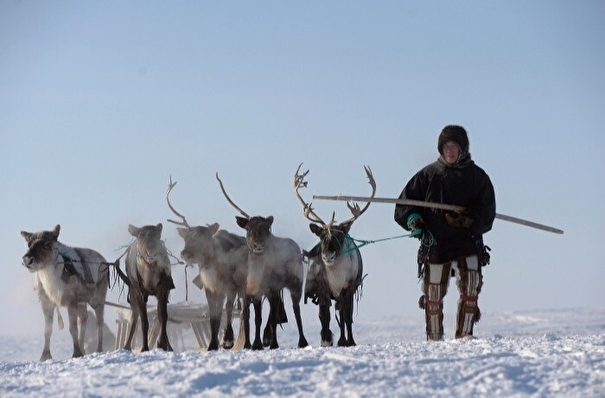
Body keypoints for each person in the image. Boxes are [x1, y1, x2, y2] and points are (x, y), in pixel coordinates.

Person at [394, 125, 496, 341]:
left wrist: (469, 219)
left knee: (471, 286)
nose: (449, 151)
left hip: (467, 242)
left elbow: (488, 212)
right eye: (446, 147)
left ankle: (465, 337)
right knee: (433, 294)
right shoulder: (428, 175)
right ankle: (434, 340)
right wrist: (415, 222)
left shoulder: (478, 178)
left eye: (454, 147)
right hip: (436, 242)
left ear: (463, 149)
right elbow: (404, 206)